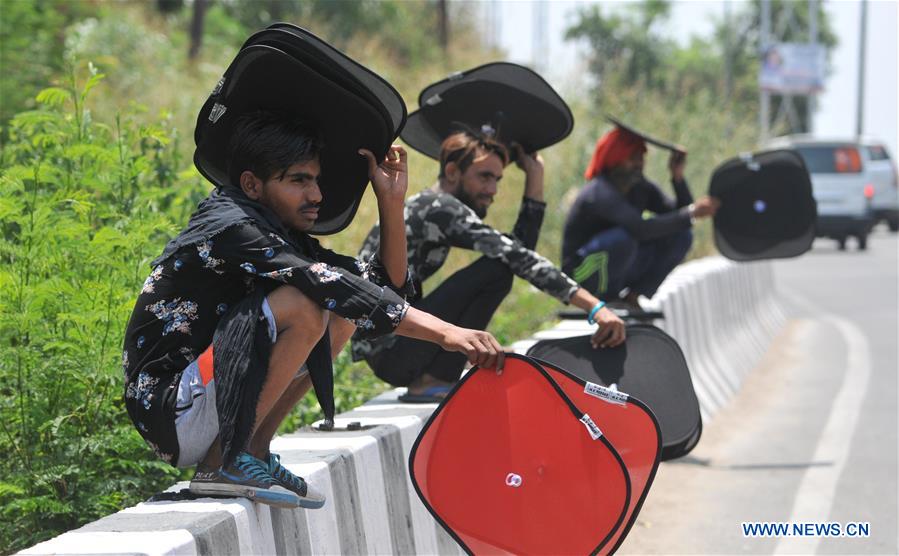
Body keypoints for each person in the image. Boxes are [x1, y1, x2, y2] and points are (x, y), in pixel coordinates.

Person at [121, 112, 504, 509]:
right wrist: (446, 333)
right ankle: (224, 461)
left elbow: (375, 288)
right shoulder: (232, 227)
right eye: (299, 180)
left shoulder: (278, 231)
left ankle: (253, 450)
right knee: (307, 303)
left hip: (200, 401)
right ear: (252, 184)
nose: (317, 195)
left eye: (316, 180)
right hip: (171, 409)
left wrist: (391, 202)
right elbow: (330, 285)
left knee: (339, 310)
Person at [351, 131, 626, 402]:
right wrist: (595, 307)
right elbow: (518, 258)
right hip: (391, 350)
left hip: (393, 347)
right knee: (497, 269)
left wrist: (535, 178)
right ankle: (435, 378)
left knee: (502, 262)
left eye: (497, 179)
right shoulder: (440, 209)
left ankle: (439, 373)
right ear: (452, 172)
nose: (492, 190)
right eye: (484, 177)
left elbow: (518, 252)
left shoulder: (434, 205)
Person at [561, 126, 720, 309]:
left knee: (681, 235)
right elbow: (640, 229)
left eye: (641, 158)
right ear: (616, 158)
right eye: (632, 158)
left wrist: (677, 178)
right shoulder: (599, 192)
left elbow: (677, 217)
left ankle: (632, 297)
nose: (638, 164)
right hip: (582, 275)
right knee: (623, 239)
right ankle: (606, 300)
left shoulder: (641, 188)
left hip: (617, 266)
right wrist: (691, 212)